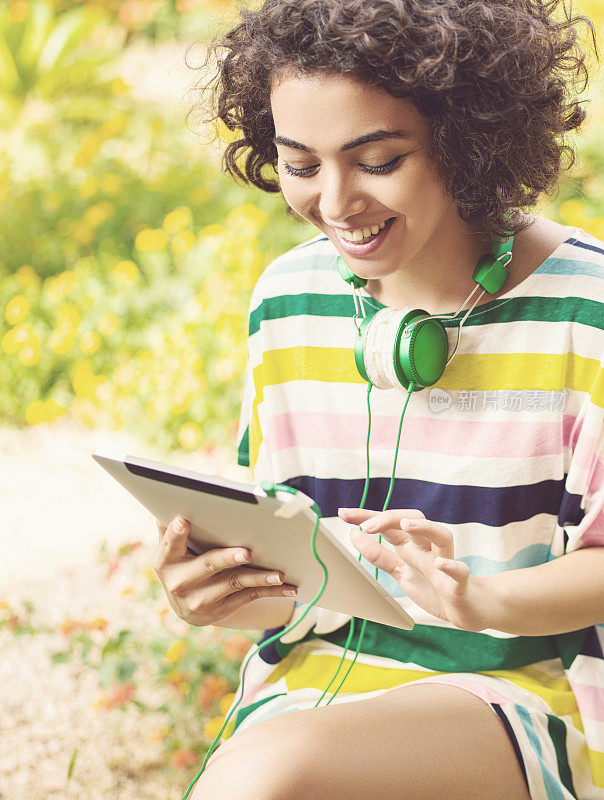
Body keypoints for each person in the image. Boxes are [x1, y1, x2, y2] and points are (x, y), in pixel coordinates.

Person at [153, 1, 604, 798]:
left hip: (531, 690)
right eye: (301, 165)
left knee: (270, 775)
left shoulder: (587, 310)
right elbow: (293, 570)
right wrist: (216, 594)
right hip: (314, 687)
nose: (335, 203)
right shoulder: (287, 298)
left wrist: (481, 595)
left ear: (468, 141)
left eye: (378, 160)